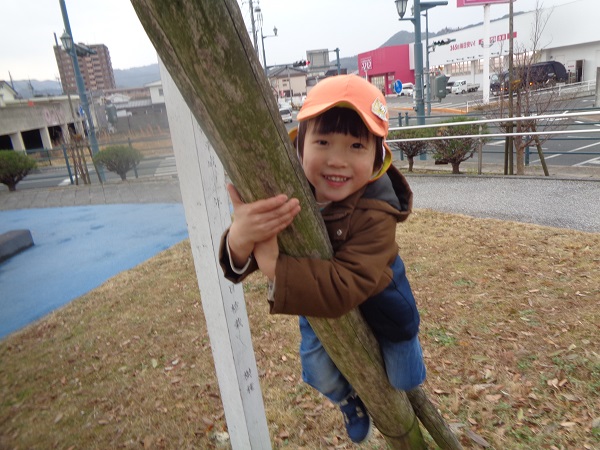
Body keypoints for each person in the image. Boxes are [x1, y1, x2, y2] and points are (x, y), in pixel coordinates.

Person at [219, 74, 426, 444]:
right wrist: (240, 237)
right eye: (323, 142)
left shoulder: (378, 211)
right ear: (300, 145)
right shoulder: (290, 191)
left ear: (377, 158)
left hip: (384, 308)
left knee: (403, 378)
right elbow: (246, 257)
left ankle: (409, 409)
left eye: (356, 146)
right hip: (314, 300)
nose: (337, 160)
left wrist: (275, 268)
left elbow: (345, 284)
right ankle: (349, 400)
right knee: (317, 370)